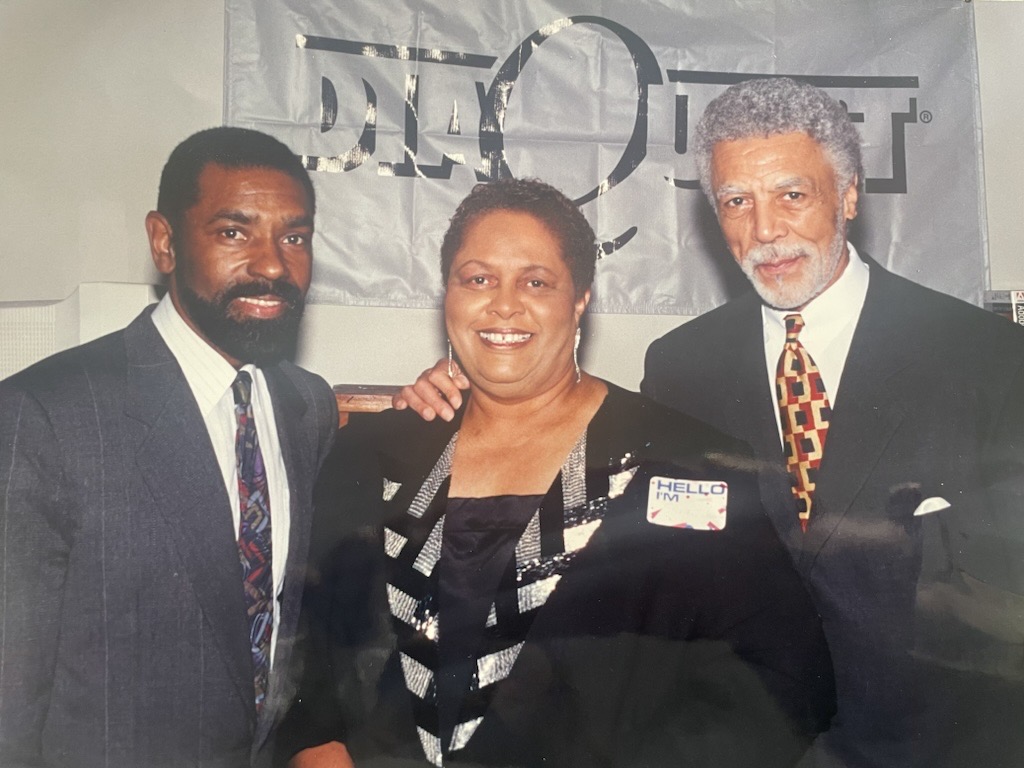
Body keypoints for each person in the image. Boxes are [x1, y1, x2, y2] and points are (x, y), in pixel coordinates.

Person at [395, 79, 1024, 767]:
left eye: (792, 194)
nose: (765, 231)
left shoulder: (987, 360)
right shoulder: (681, 369)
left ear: (848, 196)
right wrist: (465, 391)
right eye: (736, 202)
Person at [283, 178, 834, 768]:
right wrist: (314, 745)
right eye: (478, 279)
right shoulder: (373, 455)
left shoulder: (686, 461)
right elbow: (303, 644)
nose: (503, 304)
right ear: (447, 295)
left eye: (536, 282)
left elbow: (785, 677)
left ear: (579, 300)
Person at [0, 127, 338, 768]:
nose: (271, 264)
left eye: (293, 237)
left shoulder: (308, 407)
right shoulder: (44, 417)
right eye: (234, 233)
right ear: (164, 241)